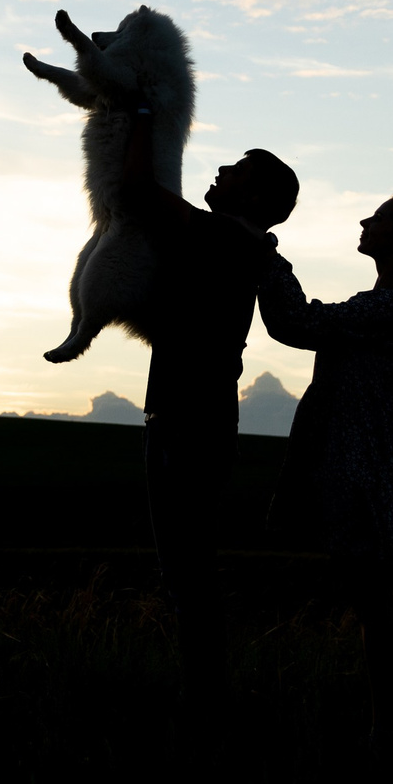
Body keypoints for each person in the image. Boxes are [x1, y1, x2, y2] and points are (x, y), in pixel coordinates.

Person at [257, 195, 393, 760]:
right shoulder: (387, 303)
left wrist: (264, 253)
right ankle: (392, 729)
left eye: (378, 219)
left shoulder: (390, 307)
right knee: (373, 599)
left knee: (374, 599)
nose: (365, 223)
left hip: (359, 462)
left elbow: (296, 322)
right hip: (354, 456)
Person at [114, 102, 300, 712]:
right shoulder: (238, 243)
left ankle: (207, 706)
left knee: (188, 576)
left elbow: (139, 188)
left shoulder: (225, 237)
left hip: (188, 426)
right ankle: (206, 699)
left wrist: (142, 109)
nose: (222, 169)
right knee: (187, 574)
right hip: (186, 421)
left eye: (240, 171)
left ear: (256, 200)